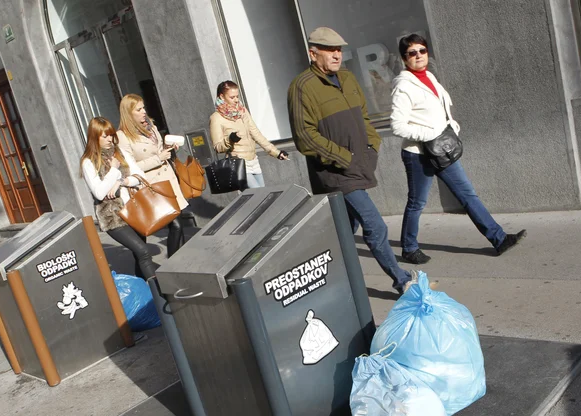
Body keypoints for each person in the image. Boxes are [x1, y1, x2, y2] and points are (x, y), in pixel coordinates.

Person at [287, 27, 412, 294]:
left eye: (339, 49)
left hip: (357, 165)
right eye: (330, 50)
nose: (337, 55)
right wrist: (344, 158)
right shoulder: (302, 87)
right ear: (313, 53)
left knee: (344, 229)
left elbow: (364, 118)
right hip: (335, 174)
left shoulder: (347, 78)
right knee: (374, 225)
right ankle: (401, 280)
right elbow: (305, 138)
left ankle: (329, 280)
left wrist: (372, 148)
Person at [391, 34, 526, 264]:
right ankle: (409, 247)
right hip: (418, 155)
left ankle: (499, 238)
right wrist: (429, 134)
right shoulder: (403, 86)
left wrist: (450, 125)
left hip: (442, 149)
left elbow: (441, 108)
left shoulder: (429, 76)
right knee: (417, 202)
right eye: (412, 53)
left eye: (422, 51)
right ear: (405, 59)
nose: (419, 56)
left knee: (467, 194)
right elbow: (397, 125)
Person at [81, 117, 159, 280]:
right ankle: (159, 294)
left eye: (111, 135)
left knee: (140, 255)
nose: (110, 139)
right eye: (104, 136)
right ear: (94, 137)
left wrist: (122, 182)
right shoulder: (89, 162)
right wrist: (115, 171)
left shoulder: (119, 153)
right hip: (112, 218)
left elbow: (139, 175)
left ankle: (146, 292)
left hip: (134, 211)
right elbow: (100, 193)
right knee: (143, 251)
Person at [117, 94, 188, 257]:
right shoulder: (122, 136)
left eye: (144, 108)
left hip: (168, 179)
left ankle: (182, 261)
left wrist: (168, 150)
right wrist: (158, 159)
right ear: (129, 113)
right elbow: (128, 168)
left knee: (179, 224)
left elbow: (159, 151)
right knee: (175, 224)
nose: (144, 112)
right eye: (139, 109)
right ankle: (173, 264)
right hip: (153, 185)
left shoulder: (151, 127)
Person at [210, 80, 289, 188]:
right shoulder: (216, 118)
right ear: (222, 97)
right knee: (258, 196)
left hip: (253, 160)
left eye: (237, 96)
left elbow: (256, 133)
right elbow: (217, 147)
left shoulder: (242, 111)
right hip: (238, 163)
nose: (236, 100)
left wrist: (276, 152)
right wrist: (230, 139)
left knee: (263, 195)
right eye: (232, 97)